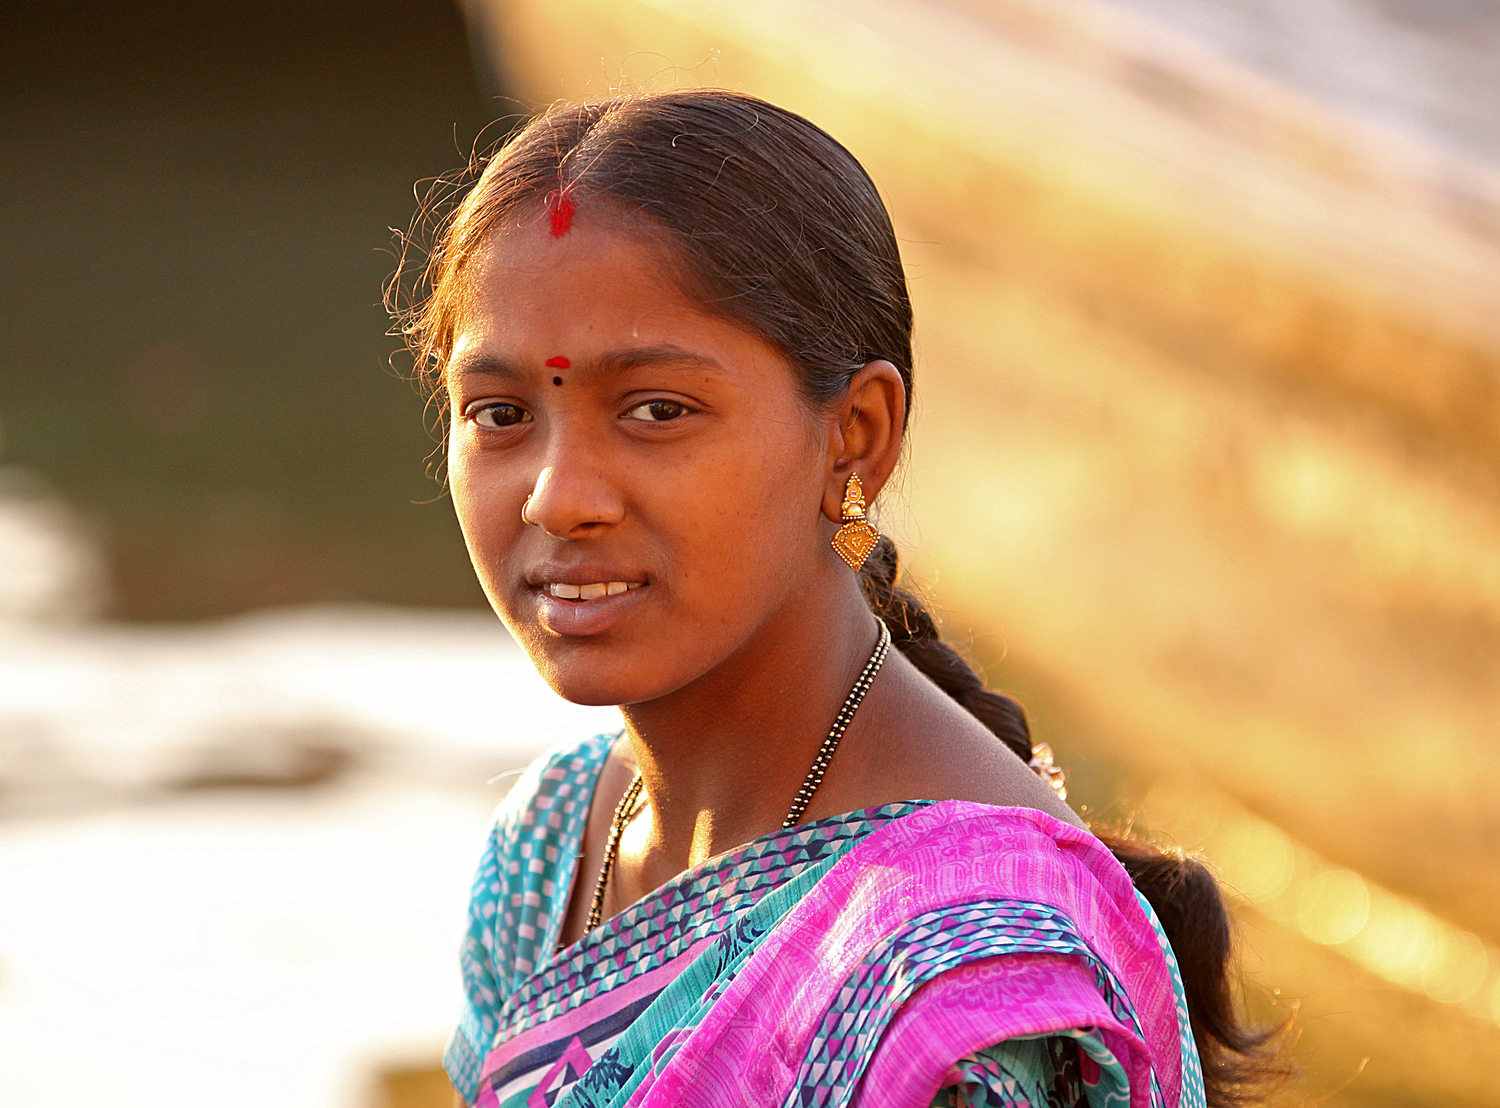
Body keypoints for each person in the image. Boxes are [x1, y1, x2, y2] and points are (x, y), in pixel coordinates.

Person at [392, 89, 1280, 1108]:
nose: (558, 494)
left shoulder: (963, 984)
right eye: (498, 413)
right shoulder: (550, 847)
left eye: (655, 409)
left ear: (854, 434)